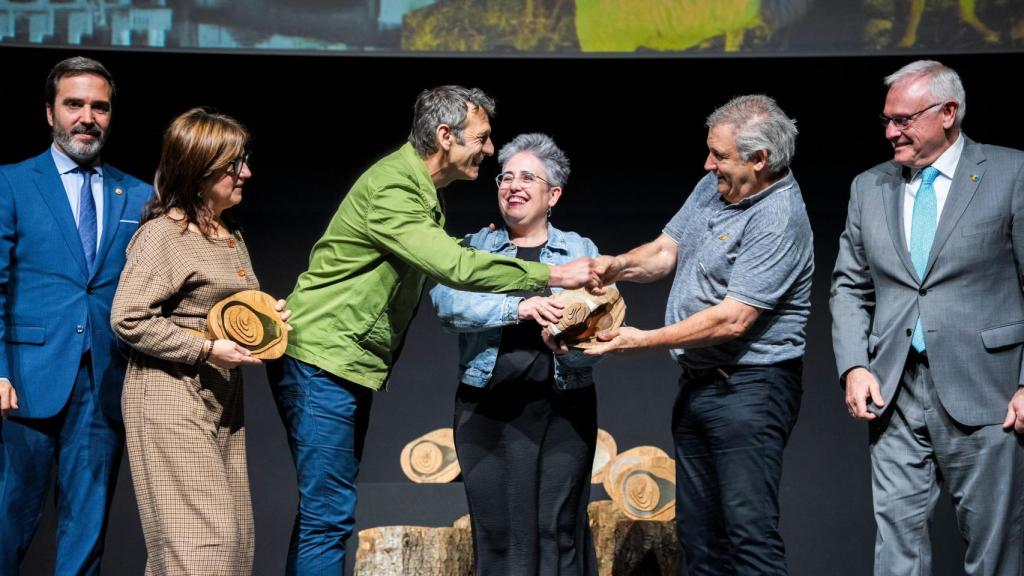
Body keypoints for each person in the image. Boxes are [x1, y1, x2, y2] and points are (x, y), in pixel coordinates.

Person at [267, 85, 598, 574]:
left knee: (323, 514)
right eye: (482, 139)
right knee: (327, 517)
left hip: (340, 360)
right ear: (446, 136)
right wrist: (549, 277)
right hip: (322, 356)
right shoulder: (396, 189)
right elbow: (452, 271)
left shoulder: (425, 194)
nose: (490, 150)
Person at [588, 94, 813, 576]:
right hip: (700, 386)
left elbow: (733, 319)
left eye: (719, 155)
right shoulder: (716, 186)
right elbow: (666, 251)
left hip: (750, 391)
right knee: (699, 540)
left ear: (760, 159)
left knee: (749, 537)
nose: (708, 164)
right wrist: (617, 266)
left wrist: (642, 340)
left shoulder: (778, 217)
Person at [830, 60, 1024, 576]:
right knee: (896, 547)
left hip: (989, 391)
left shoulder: (1011, 173)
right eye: (887, 120)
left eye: (904, 120)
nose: (891, 132)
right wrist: (854, 365)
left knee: (993, 550)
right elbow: (848, 286)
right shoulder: (869, 187)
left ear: (948, 113)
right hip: (893, 391)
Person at [111, 108, 290, 575]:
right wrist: (206, 349)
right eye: (234, 165)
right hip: (169, 395)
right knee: (202, 544)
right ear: (199, 170)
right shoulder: (163, 235)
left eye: (243, 160)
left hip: (220, 397)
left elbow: (220, 309)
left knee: (233, 544)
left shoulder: (228, 234)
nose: (246, 173)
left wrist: (264, 318)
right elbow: (128, 316)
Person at [0, 56, 153, 574]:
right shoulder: (12, 183)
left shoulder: (140, 195)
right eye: (74, 104)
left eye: (99, 107)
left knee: (86, 537)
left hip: (104, 382)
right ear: (50, 113)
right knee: (7, 524)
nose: (87, 117)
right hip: (24, 382)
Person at [430, 133, 601, 575]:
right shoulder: (476, 247)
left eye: (527, 177)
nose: (513, 186)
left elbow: (603, 325)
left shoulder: (579, 250)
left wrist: (572, 339)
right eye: (506, 177)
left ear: (553, 195)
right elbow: (447, 304)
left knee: (558, 533)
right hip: (487, 409)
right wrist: (519, 308)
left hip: (563, 409)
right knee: (500, 539)